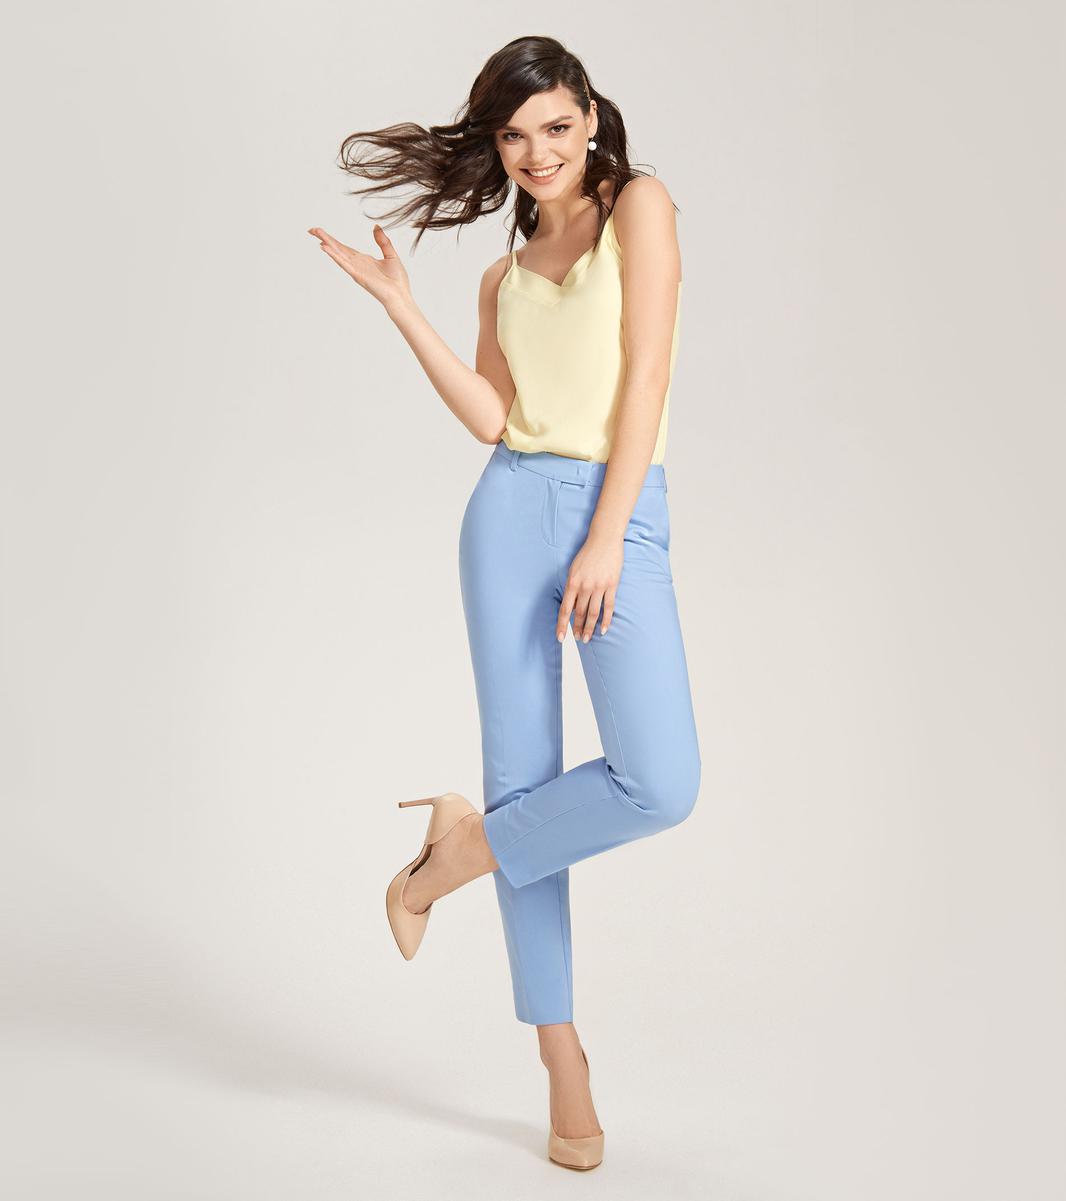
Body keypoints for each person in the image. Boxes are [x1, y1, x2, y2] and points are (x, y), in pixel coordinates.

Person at [308, 35, 701, 1170]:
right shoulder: (503, 273)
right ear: (499, 142)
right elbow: (493, 416)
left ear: (591, 117)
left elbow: (647, 375)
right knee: (526, 781)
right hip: (508, 514)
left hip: (616, 508)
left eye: (557, 127)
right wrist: (402, 306)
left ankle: (449, 856)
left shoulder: (641, 210)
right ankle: (561, 1058)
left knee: (660, 780)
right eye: (516, 135)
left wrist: (608, 536)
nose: (538, 152)